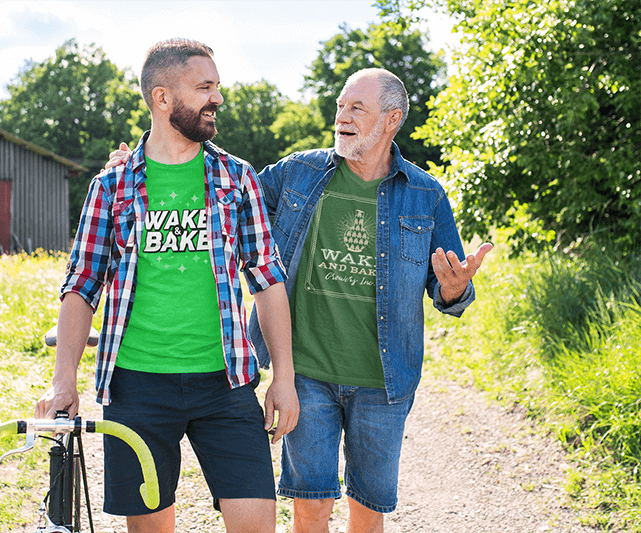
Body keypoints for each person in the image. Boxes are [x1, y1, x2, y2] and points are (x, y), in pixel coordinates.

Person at [105, 67, 491, 533]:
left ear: (391, 120)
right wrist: (137, 166)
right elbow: (216, 187)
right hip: (307, 374)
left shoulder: (426, 196)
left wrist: (454, 288)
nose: (342, 117)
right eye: (340, 106)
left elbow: (448, 290)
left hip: (384, 379)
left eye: (356, 108)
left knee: (369, 508)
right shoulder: (297, 174)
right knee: (310, 505)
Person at [35, 38, 299, 533]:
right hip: (137, 387)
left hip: (227, 383)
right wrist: (63, 378)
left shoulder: (236, 178)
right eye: (204, 87)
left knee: (257, 524)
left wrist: (283, 377)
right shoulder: (112, 187)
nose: (216, 98)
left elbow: (267, 279)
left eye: (217, 87)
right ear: (162, 97)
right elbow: (82, 285)